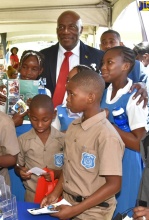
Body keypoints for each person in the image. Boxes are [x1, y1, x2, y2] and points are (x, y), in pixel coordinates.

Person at [41, 70, 124, 219]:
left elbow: (114, 185)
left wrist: (75, 210)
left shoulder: (106, 135)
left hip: (94, 212)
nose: (67, 99)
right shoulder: (74, 126)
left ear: (90, 97)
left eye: (72, 94)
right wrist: (55, 193)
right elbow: (69, 167)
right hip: (68, 203)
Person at [100, 46, 147, 217]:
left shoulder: (134, 97)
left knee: (123, 210)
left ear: (126, 66)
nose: (103, 67)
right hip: (107, 159)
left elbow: (139, 143)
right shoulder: (104, 92)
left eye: (109, 62)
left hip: (127, 163)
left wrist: (106, 123)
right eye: (103, 62)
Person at [40, 10, 104, 107]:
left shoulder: (98, 57)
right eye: (61, 27)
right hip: (47, 119)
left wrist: (135, 86)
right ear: (57, 30)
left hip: (84, 119)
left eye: (72, 27)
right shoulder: (43, 56)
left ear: (81, 30)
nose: (65, 31)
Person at [15, 94, 65, 202]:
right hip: (32, 196)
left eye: (45, 120)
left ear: (54, 115)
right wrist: (20, 171)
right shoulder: (23, 140)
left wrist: (56, 173)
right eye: (34, 119)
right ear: (29, 114)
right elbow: (18, 166)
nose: (40, 124)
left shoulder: (63, 140)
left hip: (58, 195)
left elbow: (69, 169)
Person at [52, 64, 94, 132]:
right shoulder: (59, 110)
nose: (67, 84)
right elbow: (53, 137)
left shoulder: (94, 113)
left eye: (73, 80)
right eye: (68, 80)